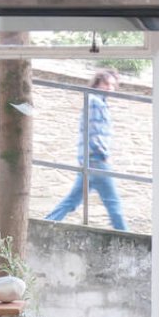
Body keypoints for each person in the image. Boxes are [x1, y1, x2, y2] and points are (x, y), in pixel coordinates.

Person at [44, 70, 126, 231]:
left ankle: (47, 223)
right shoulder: (95, 101)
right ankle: (128, 238)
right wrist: (104, 155)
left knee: (72, 200)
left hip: (90, 159)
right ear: (97, 83)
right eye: (106, 84)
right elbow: (93, 131)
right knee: (113, 202)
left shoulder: (97, 101)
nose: (110, 88)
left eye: (112, 85)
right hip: (96, 159)